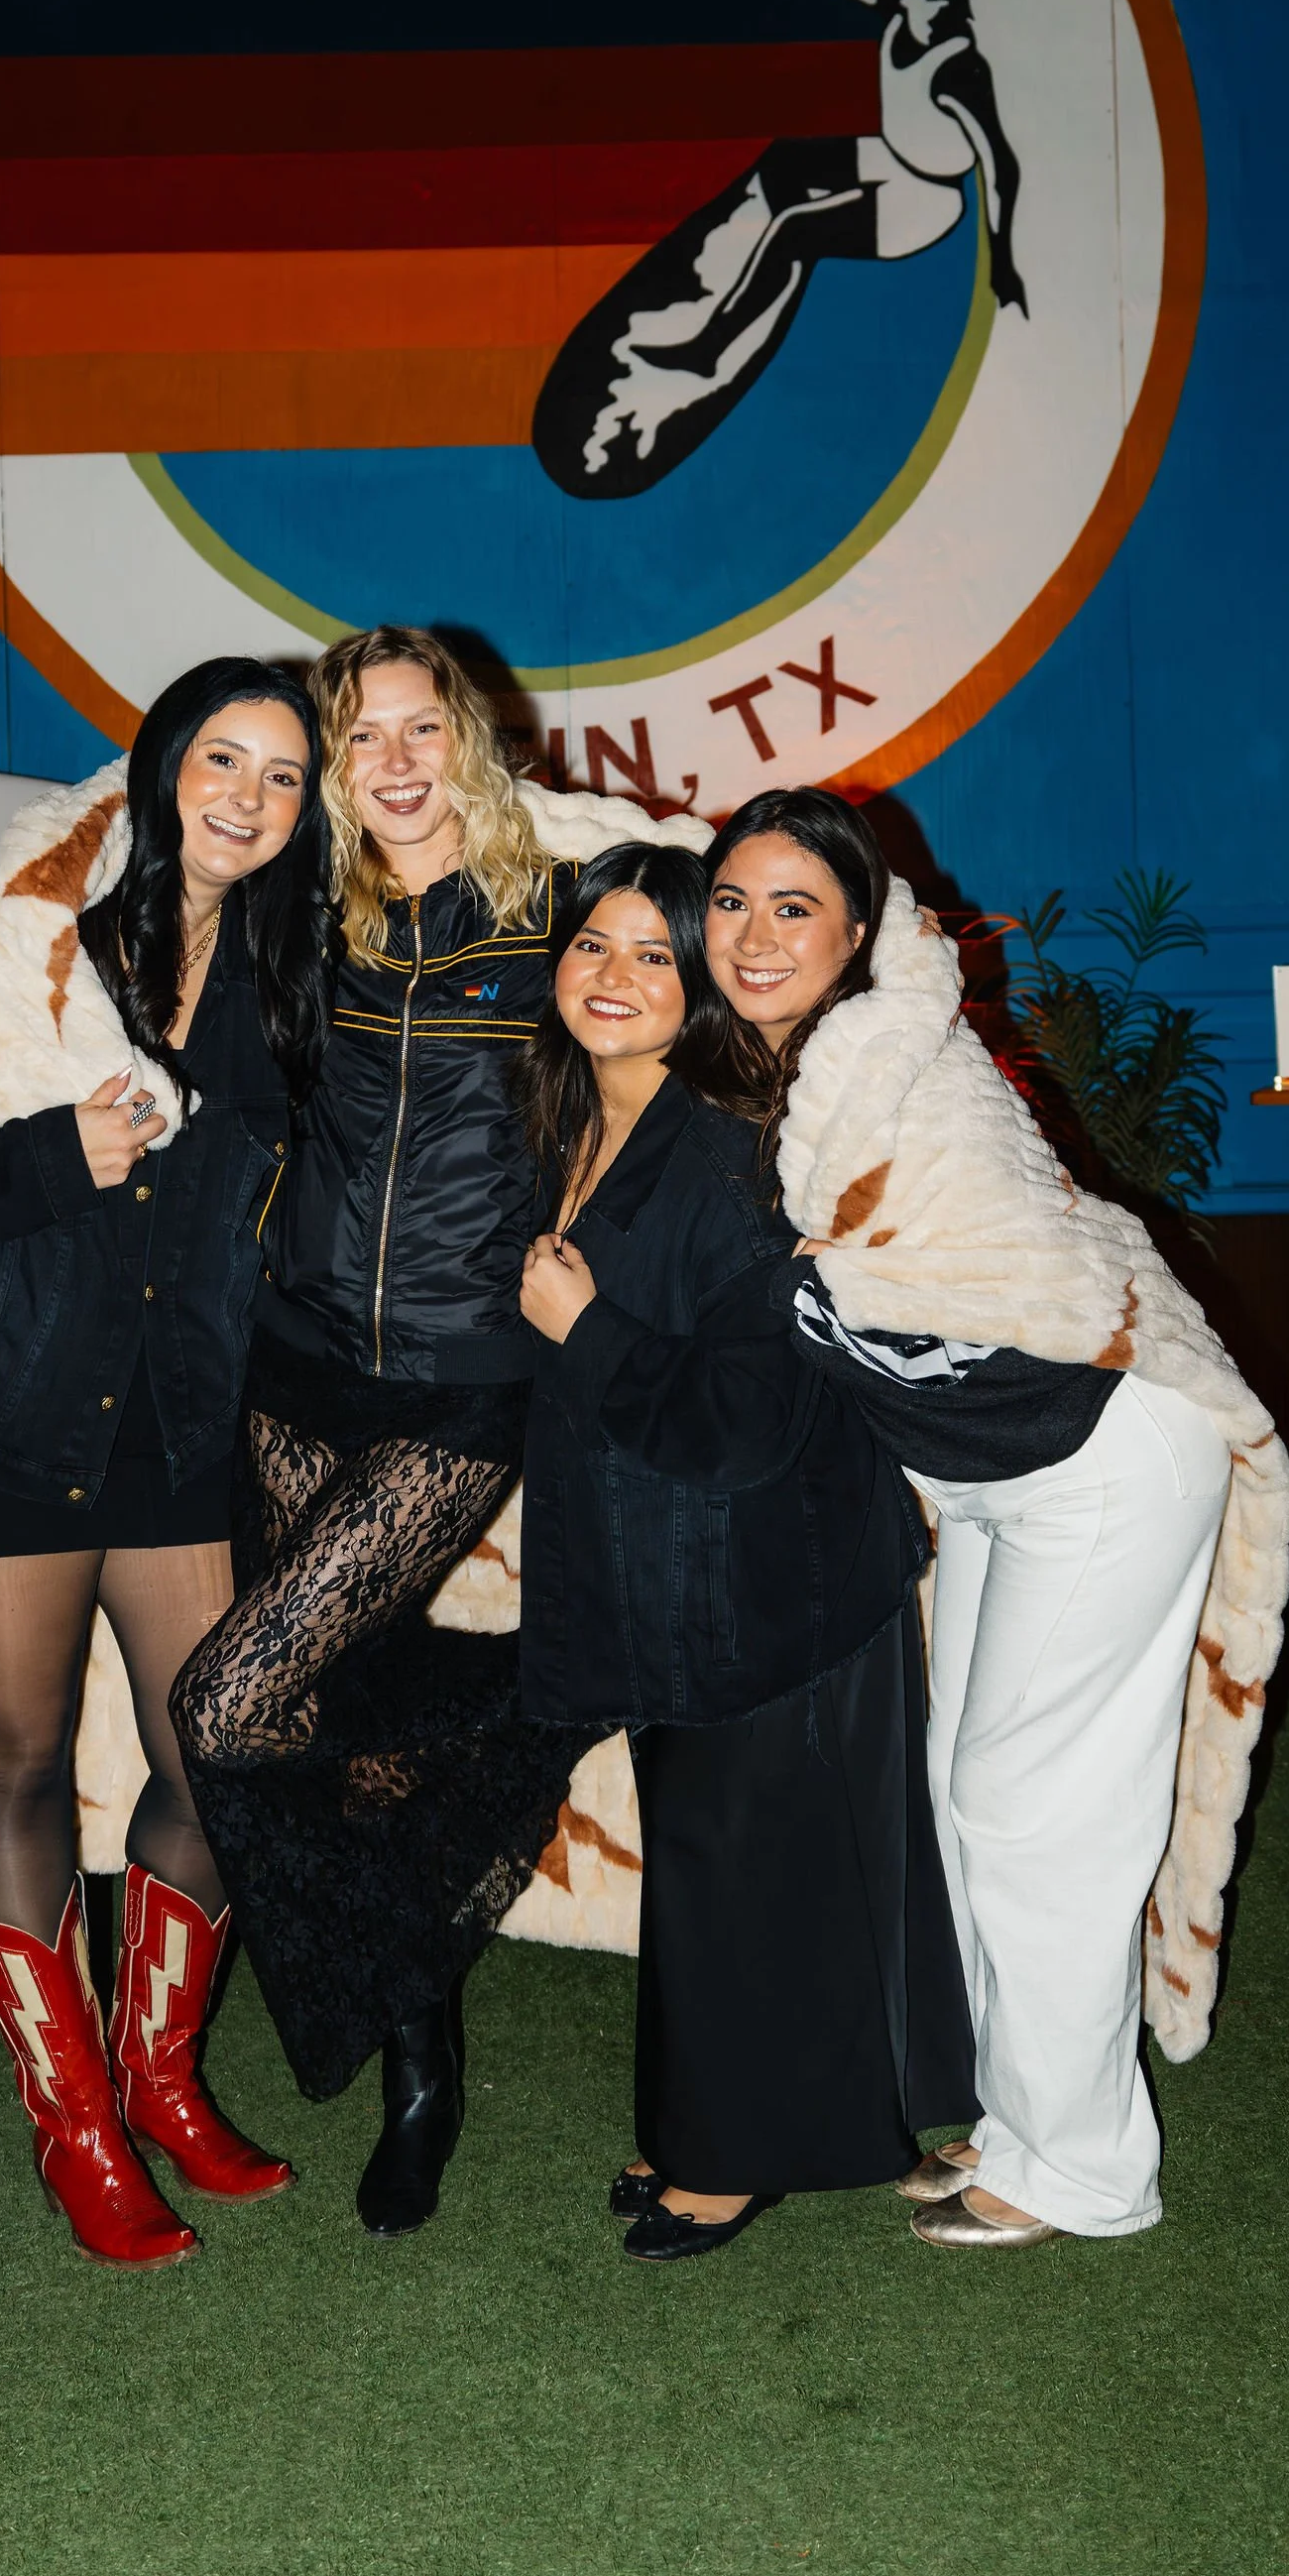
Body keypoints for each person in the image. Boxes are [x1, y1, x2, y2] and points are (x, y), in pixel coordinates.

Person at [0, 658, 332, 2270]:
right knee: (18, 1763)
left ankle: (161, 2080)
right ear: (161, 758)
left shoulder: (286, 965)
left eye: (283, 772)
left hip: (172, 1417)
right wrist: (52, 1151)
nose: (248, 793)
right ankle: (76, 2128)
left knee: (217, 1757)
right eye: (224, 755)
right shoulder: (11, 922)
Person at [703, 787, 1250, 2251]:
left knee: (1034, 1813)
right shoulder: (775, 1072)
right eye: (731, 904)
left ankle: (1087, 2173)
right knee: (974, 1802)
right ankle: (1025, 2122)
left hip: (1103, 1454)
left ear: (860, 931)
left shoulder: (899, 1062)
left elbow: (918, 1260)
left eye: (794, 907)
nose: (755, 937)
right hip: (1001, 1476)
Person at [172, 626, 597, 2239]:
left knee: (229, 1692)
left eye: (427, 728)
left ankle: (519, 1713)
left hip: (458, 1377)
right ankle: (423, 2045)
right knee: (322, 1717)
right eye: (363, 737)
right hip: (291, 1359)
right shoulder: (300, 918)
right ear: (331, 768)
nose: (399, 758)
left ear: (472, 746)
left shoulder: (557, 912)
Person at [514, 845, 974, 2262]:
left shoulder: (737, 1146)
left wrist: (583, 1330)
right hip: (673, 1568)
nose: (616, 977)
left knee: (756, 1864)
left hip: (774, 1562)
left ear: (702, 983)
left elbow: (750, 1415)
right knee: (723, 1857)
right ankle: (745, 2113)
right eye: (594, 945)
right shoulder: (573, 1125)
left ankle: (736, 2151)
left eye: (656, 953)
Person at [534, 0, 1024, 498]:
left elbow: (1001, 163)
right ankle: (740, 266)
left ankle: (708, 350)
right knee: (789, 158)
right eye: (920, 2)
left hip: (924, 201)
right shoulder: (899, 13)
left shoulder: (959, 69)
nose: (928, 14)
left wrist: (1001, 257)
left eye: (942, 6)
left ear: (953, 5)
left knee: (798, 232)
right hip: (887, 158)